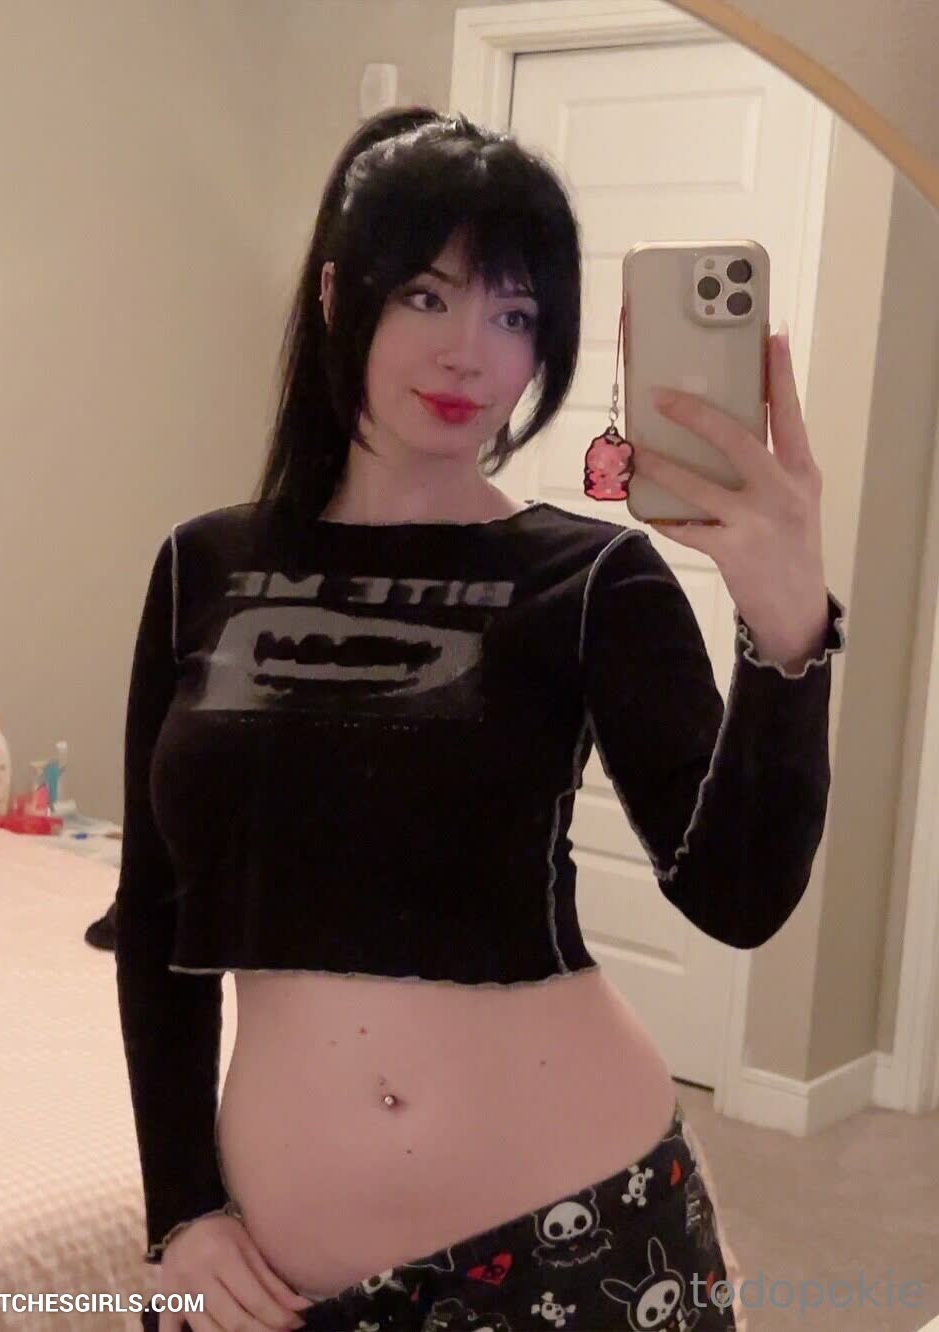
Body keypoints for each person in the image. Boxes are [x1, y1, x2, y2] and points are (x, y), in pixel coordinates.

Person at [115, 107, 846, 1332]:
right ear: (340, 295)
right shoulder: (203, 567)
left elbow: (736, 895)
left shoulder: (591, 579)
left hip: (578, 1237)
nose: (471, 354)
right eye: (427, 296)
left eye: (515, 315)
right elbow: (154, 911)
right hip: (281, 1283)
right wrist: (179, 1208)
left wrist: (786, 641)